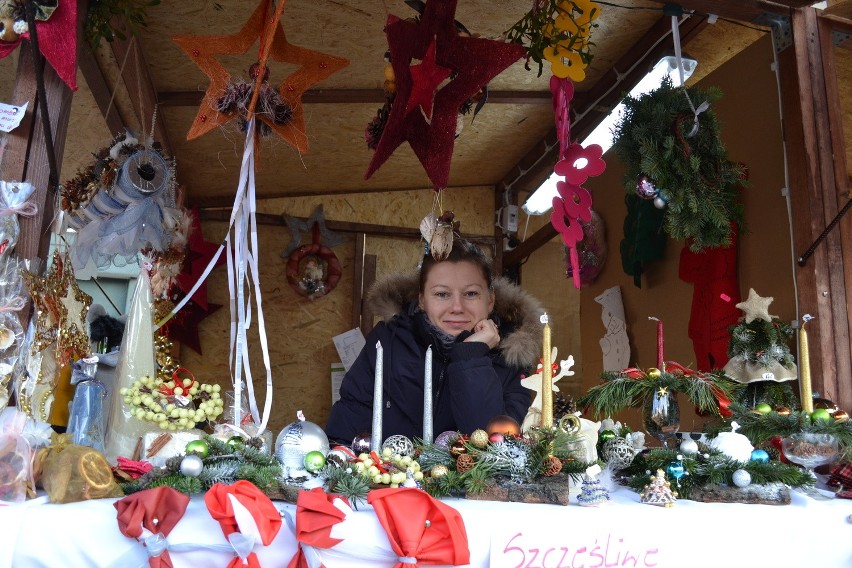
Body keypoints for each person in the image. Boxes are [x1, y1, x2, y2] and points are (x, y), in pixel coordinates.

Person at [325, 237, 545, 444]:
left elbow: (495, 447)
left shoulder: (513, 358)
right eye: (441, 294)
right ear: (422, 300)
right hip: (389, 483)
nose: (457, 307)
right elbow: (343, 436)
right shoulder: (388, 342)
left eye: (470, 294)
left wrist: (471, 355)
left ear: (490, 301)